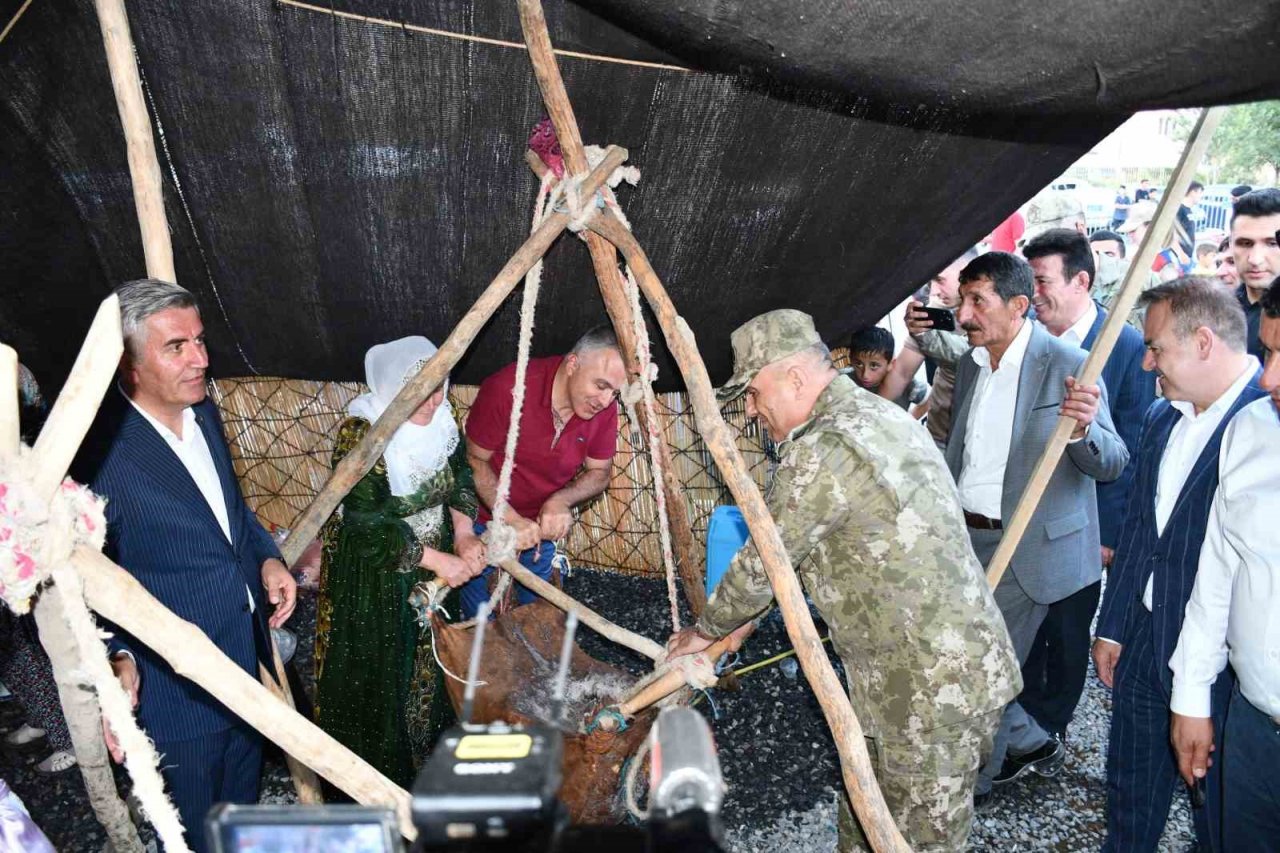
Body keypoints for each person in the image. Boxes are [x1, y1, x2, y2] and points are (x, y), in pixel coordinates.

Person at [668, 309, 1020, 852]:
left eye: (756, 394)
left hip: (929, 689)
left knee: (916, 840)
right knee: (866, 817)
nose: (754, 411)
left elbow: (767, 560)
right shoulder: (879, 417)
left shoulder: (825, 449)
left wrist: (705, 630)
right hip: (918, 677)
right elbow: (796, 558)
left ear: (794, 378)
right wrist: (730, 634)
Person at [76, 279, 297, 853]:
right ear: (127, 364)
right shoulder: (98, 452)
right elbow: (82, 575)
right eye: (176, 346)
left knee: (242, 801)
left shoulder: (202, 411)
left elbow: (230, 514)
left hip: (246, 657)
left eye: (200, 340)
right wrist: (119, 655)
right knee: (195, 825)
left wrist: (267, 559)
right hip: (174, 684)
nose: (200, 358)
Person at [942, 252, 1128, 804]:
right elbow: (968, 454)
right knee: (962, 655)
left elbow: (1114, 461)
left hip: (1029, 546)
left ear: (1020, 305)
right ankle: (1028, 742)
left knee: (980, 668)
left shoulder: (1071, 363)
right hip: (968, 540)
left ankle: (969, 789)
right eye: (962, 301)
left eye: (978, 302)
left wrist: (1082, 429)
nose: (964, 314)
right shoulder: (974, 364)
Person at [1092, 278, 1263, 852]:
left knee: (1218, 818)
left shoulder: (1265, 424)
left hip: (1225, 673)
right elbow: (1141, 526)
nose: (1145, 363)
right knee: (1130, 791)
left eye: (1156, 348)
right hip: (1143, 643)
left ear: (1205, 342)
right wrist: (1113, 625)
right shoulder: (1163, 416)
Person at [314, 336, 483, 788]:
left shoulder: (445, 420)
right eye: (420, 391)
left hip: (440, 561)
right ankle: (383, 782)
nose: (433, 402)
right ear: (393, 388)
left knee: (434, 659)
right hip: (381, 575)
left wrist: (465, 535)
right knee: (387, 669)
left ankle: (430, 763)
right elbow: (366, 524)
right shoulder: (363, 431)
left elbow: (461, 479)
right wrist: (436, 560)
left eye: (439, 387)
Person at [1017, 230, 1155, 745]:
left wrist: (1111, 535)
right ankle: (1022, 723)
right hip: (1027, 517)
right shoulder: (1029, 338)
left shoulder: (1123, 344)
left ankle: (1050, 728)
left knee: (1067, 632)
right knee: (1027, 625)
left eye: (1042, 281)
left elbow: (1132, 444)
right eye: (1029, 281)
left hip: (1087, 521)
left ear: (1081, 281)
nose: (1033, 295)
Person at [1169, 281, 1280, 852]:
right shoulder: (1253, 428)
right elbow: (1217, 575)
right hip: (1256, 729)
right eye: (1269, 353)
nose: (1268, 379)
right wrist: (1191, 697)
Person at [461, 326, 624, 618]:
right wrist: (509, 518)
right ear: (573, 364)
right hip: (484, 523)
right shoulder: (508, 389)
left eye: (615, 392)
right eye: (601, 386)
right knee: (480, 625)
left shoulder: (604, 411)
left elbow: (600, 472)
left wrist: (559, 501)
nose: (606, 401)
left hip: (540, 527)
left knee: (540, 617)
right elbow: (473, 461)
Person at [882, 248, 980, 448]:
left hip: (975, 442)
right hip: (939, 436)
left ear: (966, 271)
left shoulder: (994, 314)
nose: (934, 290)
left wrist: (924, 335)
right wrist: (870, 414)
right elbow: (902, 371)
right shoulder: (936, 310)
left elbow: (973, 358)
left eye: (940, 280)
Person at [1229, 188, 1280, 361]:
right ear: (1230, 244)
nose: (1255, 259)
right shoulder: (1214, 309)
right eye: (1245, 243)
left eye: (1272, 243)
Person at [847, 326, 926, 410]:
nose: (865, 375)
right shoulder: (844, 380)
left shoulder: (904, 384)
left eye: (873, 366)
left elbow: (928, 400)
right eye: (859, 364)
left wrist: (910, 420)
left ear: (890, 364)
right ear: (851, 360)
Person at [1174, 181, 1204, 260]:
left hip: (1186, 256)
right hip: (1178, 258)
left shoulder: (1189, 211)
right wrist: (1181, 255)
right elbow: (1171, 235)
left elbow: (1187, 234)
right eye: (1200, 192)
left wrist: (1210, 237)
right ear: (1192, 192)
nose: (1201, 196)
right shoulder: (1179, 209)